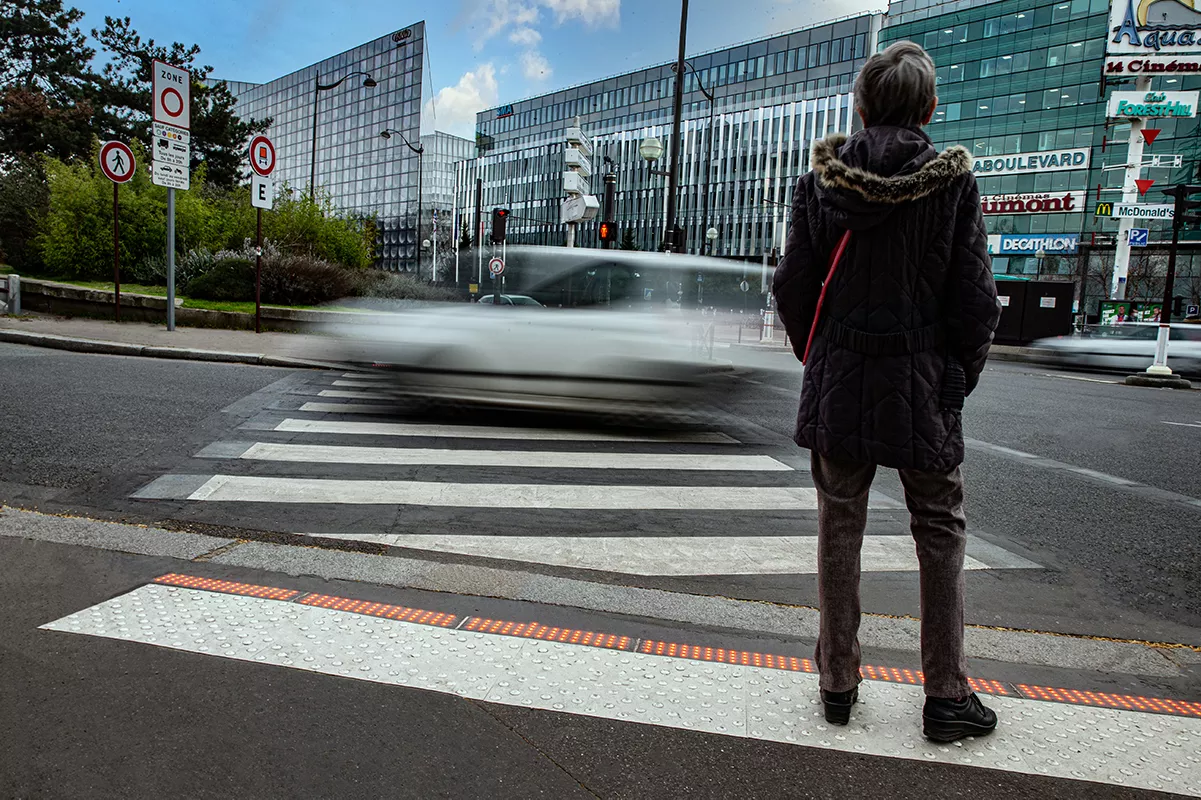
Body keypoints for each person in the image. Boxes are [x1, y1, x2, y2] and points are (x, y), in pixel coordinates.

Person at [772, 41, 1002, 743]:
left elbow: (791, 286)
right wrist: (958, 375)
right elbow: (975, 301)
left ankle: (836, 680)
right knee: (939, 531)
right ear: (929, 108)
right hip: (922, 378)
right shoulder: (950, 184)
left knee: (838, 525)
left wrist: (819, 354)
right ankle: (944, 694)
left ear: (860, 107)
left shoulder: (819, 185)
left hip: (839, 375)